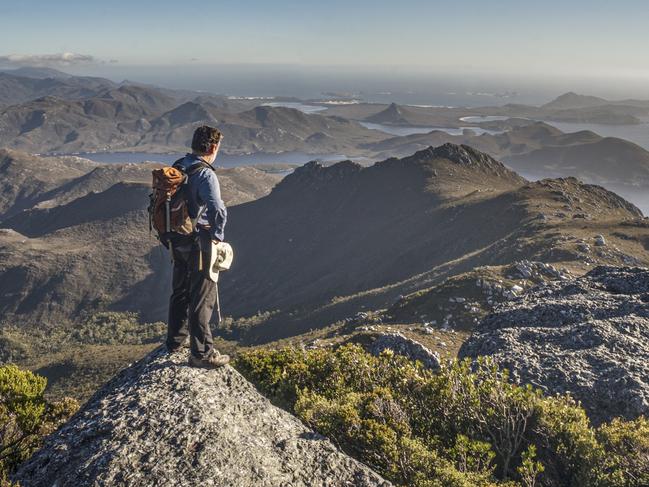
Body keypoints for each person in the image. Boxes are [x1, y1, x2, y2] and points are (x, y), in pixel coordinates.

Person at [166, 125, 230, 368]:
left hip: (175, 239)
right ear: (213, 147)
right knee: (203, 295)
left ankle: (174, 342)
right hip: (197, 241)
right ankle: (201, 354)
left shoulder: (180, 164)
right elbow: (217, 209)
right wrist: (217, 236)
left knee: (180, 290)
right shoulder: (205, 174)